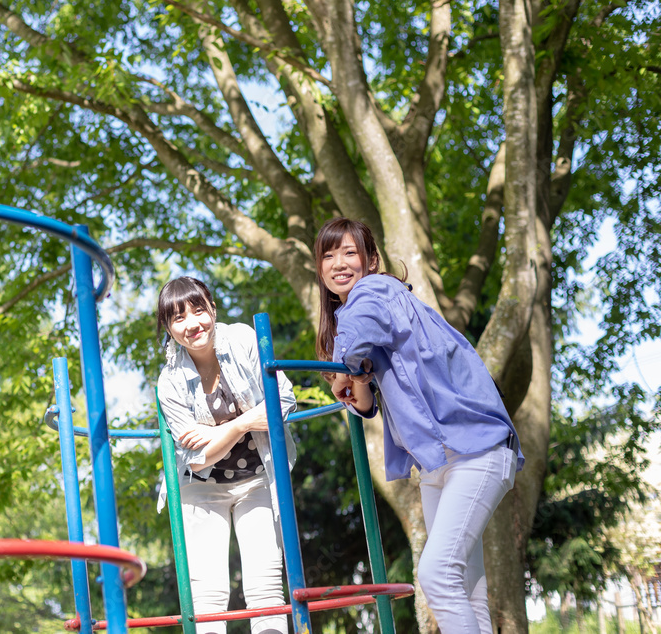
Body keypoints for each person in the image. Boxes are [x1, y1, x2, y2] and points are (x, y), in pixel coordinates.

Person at [313, 217, 524, 634]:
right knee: (466, 588)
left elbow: (351, 350)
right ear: (319, 268)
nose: (339, 262)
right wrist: (356, 384)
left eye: (350, 252)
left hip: (473, 449)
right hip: (436, 464)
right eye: (328, 255)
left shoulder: (375, 291)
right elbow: (370, 399)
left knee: (437, 575)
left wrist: (341, 373)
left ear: (372, 261)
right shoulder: (364, 315)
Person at [155, 276, 295, 634]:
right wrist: (242, 425)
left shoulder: (244, 339)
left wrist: (222, 431)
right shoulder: (169, 381)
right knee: (207, 593)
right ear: (169, 328)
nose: (192, 325)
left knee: (265, 584)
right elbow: (196, 459)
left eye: (198, 311)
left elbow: (283, 402)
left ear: (213, 310)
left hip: (258, 478)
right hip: (199, 486)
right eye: (178, 318)